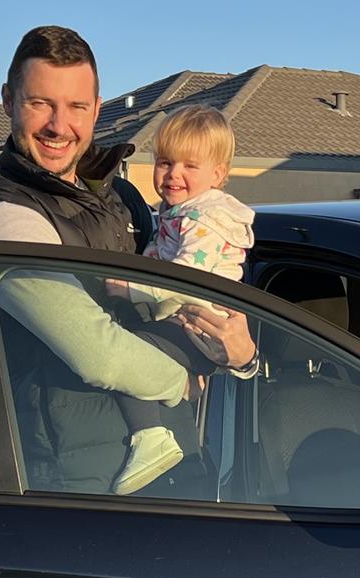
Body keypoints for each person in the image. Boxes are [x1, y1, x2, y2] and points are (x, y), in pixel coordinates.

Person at [0, 25, 257, 494]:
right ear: (8, 101)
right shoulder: (7, 219)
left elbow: (173, 303)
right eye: (41, 103)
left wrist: (241, 357)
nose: (60, 126)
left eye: (76, 106)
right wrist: (187, 381)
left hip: (175, 459)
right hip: (81, 483)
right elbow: (97, 355)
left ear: (97, 109)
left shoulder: (120, 196)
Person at [106, 105, 255, 495]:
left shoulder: (206, 221)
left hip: (202, 328)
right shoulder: (176, 212)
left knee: (123, 352)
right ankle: (182, 385)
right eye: (164, 162)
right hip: (182, 321)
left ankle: (150, 435)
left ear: (219, 175)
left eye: (190, 165)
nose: (173, 174)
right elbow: (159, 256)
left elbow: (183, 279)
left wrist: (128, 287)